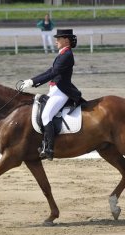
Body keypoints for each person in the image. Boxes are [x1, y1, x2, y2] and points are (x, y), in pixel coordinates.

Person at [21, 29, 83, 161]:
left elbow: (53, 72)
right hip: (55, 90)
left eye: (58, 39)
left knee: (46, 115)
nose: (56, 41)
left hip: (62, 91)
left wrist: (33, 82)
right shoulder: (63, 54)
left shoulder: (67, 55)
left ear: (66, 40)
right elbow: (50, 71)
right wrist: (32, 80)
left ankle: (49, 148)